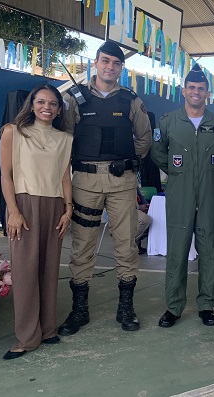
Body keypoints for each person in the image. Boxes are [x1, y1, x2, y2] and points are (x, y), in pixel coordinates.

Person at [58, 41, 152, 336]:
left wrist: (126, 161)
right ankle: (79, 310)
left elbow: (144, 138)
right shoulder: (75, 98)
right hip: (85, 182)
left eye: (116, 63)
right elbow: (66, 139)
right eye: (106, 61)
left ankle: (126, 309)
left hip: (122, 181)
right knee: (82, 243)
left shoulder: (131, 100)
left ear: (122, 68)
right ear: (96, 63)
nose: (110, 67)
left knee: (125, 243)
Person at [152, 64, 214, 328]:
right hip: (179, 195)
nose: (196, 92)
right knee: (177, 251)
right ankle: (173, 307)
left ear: (207, 93)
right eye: (192, 88)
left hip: (209, 195)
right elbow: (158, 153)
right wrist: (179, 174)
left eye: (201, 88)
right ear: (183, 91)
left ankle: (207, 306)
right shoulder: (168, 122)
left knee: (209, 250)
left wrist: (206, 174)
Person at [0, 85, 73, 360]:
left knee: (49, 269)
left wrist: (68, 210)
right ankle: (27, 337)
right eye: (41, 102)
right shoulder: (13, 132)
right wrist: (14, 212)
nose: (47, 107)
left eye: (53, 103)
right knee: (25, 271)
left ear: (59, 109)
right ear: (31, 105)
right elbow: (6, 175)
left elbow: (65, 177)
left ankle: (48, 329)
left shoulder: (64, 139)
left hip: (54, 206)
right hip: (25, 204)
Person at [135, 188, 151, 254]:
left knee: (156, 221)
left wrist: (146, 205)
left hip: (137, 207)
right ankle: (129, 244)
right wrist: (139, 207)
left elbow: (140, 196)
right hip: (127, 209)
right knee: (145, 220)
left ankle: (136, 244)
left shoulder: (134, 183)